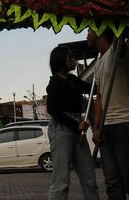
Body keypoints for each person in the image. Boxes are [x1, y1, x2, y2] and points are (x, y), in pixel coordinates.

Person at [45, 46, 100, 200]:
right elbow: (53, 110)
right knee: (61, 181)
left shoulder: (73, 79)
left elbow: (92, 89)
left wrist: (103, 77)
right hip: (61, 129)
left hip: (77, 128)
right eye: (70, 57)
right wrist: (76, 125)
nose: (73, 60)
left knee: (89, 179)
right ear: (62, 60)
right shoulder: (55, 82)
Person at [88, 29, 129, 199]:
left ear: (98, 32)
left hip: (124, 123)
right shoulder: (98, 63)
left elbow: (121, 37)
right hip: (106, 127)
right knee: (112, 183)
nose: (87, 36)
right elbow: (99, 97)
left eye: (89, 31)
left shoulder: (117, 49)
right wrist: (96, 128)